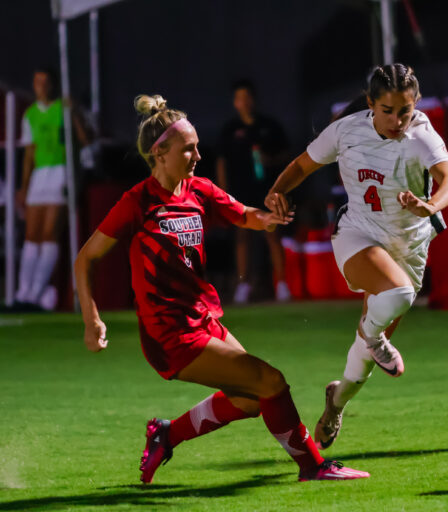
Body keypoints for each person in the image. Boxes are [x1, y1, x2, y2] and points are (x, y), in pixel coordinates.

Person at [73, 94, 369, 483]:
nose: (198, 155)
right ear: (160, 154)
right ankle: (313, 467)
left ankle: (166, 434)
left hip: (203, 318)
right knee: (271, 382)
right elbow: (85, 259)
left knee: (249, 400)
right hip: (170, 333)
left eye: (197, 147)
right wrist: (91, 320)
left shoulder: (197, 189)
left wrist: (269, 219)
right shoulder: (137, 202)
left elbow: (244, 214)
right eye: (189, 149)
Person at [265, 64, 448, 449]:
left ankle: (335, 403)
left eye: (404, 110)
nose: (397, 119)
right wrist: (277, 191)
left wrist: (429, 205)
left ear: (415, 104)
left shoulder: (421, 134)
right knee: (400, 295)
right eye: (387, 110)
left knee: (363, 361)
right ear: (371, 103)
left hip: (409, 246)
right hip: (359, 233)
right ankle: (374, 338)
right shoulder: (346, 130)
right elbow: (303, 164)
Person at [14, 68, 88, 310]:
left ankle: (36, 292)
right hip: (39, 176)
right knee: (31, 236)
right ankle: (23, 292)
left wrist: (74, 111)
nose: (42, 86)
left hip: (60, 173)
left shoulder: (63, 109)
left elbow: (83, 138)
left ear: (53, 85)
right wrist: (23, 187)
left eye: (46, 82)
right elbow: (29, 154)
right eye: (37, 82)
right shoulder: (30, 115)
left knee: (48, 234)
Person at [216, 79, 292, 303]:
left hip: (268, 191)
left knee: (273, 233)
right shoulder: (230, 130)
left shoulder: (269, 125)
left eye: (248, 97)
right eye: (240, 98)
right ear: (235, 102)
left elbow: (288, 156)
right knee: (242, 237)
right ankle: (243, 285)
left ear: (254, 99)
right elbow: (222, 162)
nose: (244, 102)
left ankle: (283, 285)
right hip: (240, 192)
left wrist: (271, 160)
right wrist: (223, 193)